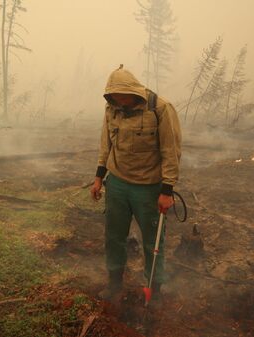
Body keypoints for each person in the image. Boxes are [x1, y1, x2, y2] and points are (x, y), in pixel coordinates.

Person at [90, 65, 182, 304]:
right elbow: (105, 143)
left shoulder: (160, 109)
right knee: (114, 236)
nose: (118, 101)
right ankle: (114, 284)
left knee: (153, 241)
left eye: (121, 96)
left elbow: (171, 152)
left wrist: (167, 190)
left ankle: (154, 290)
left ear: (132, 91)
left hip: (149, 188)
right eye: (113, 97)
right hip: (118, 184)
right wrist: (99, 177)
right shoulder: (112, 109)